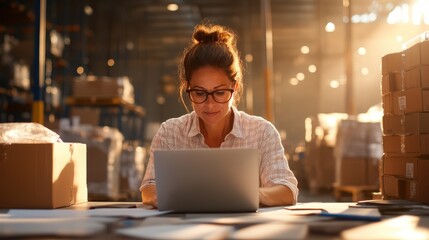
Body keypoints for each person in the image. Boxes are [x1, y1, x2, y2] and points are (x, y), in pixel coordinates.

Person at [140, 22, 298, 207]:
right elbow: (149, 186)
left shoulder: (261, 131)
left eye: (220, 93)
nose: (210, 104)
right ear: (187, 88)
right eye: (199, 93)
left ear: (234, 87)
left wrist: (250, 195)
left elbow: (287, 190)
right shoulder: (170, 131)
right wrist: (158, 197)